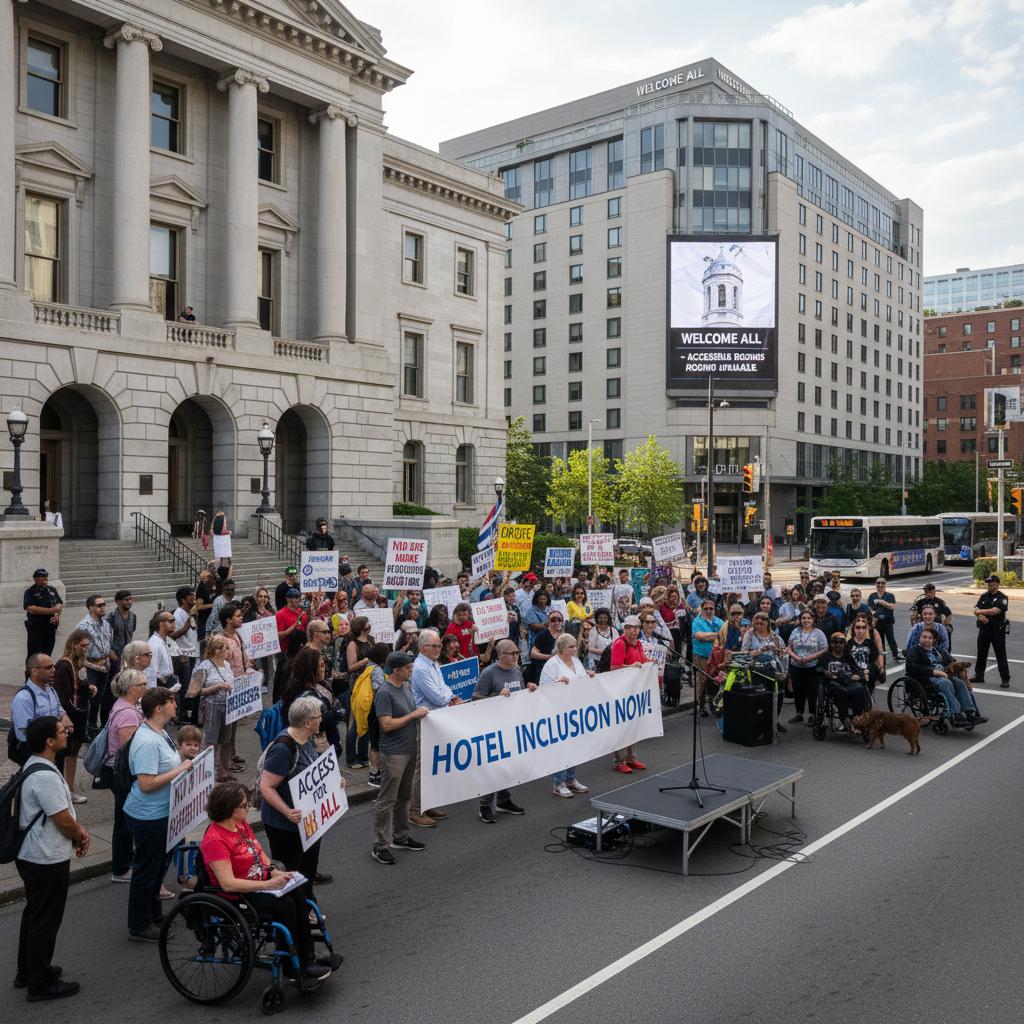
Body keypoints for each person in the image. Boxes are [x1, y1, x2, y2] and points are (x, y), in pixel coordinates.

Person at [200, 781, 332, 986]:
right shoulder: (216, 840)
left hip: (260, 882)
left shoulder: (241, 825)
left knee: (298, 893)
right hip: (240, 896)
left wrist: (274, 872)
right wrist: (268, 885)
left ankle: (307, 957)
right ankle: (293, 969)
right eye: (243, 806)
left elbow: (259, 853)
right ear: (229, 809)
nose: (248, 809)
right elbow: (228, 884)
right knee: (285, 906)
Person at [13, 716, 89, 1002]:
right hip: (45, 857)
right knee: (45, 920)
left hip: (33, 854)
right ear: (49, 741)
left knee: (35, 914)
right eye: (61, 731)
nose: (67, 732)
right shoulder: (45, 776)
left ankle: (28, 971)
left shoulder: (34, 764)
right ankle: (40, 982)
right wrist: (80, 836)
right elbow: (62, 819)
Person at [123, 687, 193, 941]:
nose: (176, 704)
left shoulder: (160, 732)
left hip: (161, 813)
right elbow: (146, 783)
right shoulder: (148, 741)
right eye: (171, 701)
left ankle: (153, 914)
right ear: (158, 708)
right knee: (146, 870)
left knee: (157, 869)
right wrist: (180, 770)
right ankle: (139, 925)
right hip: (148, 816)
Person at [259, 694, 337, 899]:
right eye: (318, 716)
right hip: (285, 826)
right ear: (307, 723)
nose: (322, 719)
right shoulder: (283, 749)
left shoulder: (306, 739)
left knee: (308, 869)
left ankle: (307, 906)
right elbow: (266, 787)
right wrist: (287, 812)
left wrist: (335, 780)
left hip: (308, 822)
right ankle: (293, 911)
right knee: (291, 873)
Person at [371, 652, 429, 863]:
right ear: (396, 670)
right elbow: (386, 724)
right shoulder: (384, 692)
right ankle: (380, 845)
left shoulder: (406, 686)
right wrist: (414, 715)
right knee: (387, 800)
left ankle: (401, 836)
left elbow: (412, 713)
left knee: (404, 797)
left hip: (409, 749)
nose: (411, 670)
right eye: (408, 668)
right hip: (394, 754)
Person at [472, 639, 532, 823]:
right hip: (492, 726)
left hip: (510, 724)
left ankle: (503, 800)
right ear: (500, 655)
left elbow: (520, 694)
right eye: (511, 653)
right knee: (492, 767)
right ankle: (485, 805)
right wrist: (495, 697)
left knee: (507, 765)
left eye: (517, 653)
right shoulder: (489, 673)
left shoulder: (516, 671)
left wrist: (530, 690)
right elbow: (475, 698)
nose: (516, 656)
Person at [408, 629, 462, 828]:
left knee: (432, 765)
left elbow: (444, 687)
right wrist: (449, 696)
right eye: (434, 646)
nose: (438, 649)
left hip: (436, 719)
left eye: (439, 645)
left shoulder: (434, 664)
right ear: (423, 647)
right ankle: (415, 811)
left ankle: (427, 804)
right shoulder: (420, 668)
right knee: (422, 767)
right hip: (425, 720)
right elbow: (438, 697)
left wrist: (449, 695)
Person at [105, 669, 147, 883]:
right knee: (123, 821)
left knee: (123, 820)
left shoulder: (123, 706)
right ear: (131, 688)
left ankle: (123, 864)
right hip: (122, 775)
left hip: (119, 772)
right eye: (142, 684)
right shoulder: (128, 713)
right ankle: (121, 868)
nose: (146, 687)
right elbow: (129, 750)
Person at [539, 633, 592, 798]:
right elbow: (543, 688)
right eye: (571, 647)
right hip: (558, 712)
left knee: (573, 746)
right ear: (561, 648)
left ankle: (571, 779)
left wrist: (589, 674)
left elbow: (581, 679)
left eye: (575, 646)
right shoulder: (551, 664)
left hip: (575, 711)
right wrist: (557, 683)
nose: (575, 649)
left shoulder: (576, 661)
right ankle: (558, 783)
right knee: (561, 748)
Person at [907, 628, 987, 725]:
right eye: (924, 637)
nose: (927, 639)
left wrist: (958, 667)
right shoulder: (914, 650)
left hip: (945, 674)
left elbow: (952, 661)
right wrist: (934, 672)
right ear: (919, 638)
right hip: (926, 678)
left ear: (933, 640)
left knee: (959, 683)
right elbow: (912, 667)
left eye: (930, 638)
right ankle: (955, 714)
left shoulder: (939, 651)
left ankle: (970, 713)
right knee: (946, 683)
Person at [52, 630, 93, 803]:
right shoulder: (64, 665)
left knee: (73, 752)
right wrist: (68, 714)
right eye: (83, 646)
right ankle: (63, 791)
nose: (85, 649)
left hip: (79, 713)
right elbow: (62, 695)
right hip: (70, 716)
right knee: (64, 753)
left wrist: (89, 688)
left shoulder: (79, 664)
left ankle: (69, 789)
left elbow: (80, 685)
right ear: (74, 644)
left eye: (87, 646)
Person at [10, 654, 71, 767]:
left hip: (53, 750)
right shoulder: (24, 698)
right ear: (34, 671)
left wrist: (64, 716)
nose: (54, 670)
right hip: (37, 755)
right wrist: (51, 735)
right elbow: (23, 734)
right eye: (48, 667)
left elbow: (58, 708)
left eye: (53, 666)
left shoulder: (50, 690)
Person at [609, 615, 648, 772]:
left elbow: (642, 661)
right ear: (625, 629)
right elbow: (614, 668)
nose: (634, 630)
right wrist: (631, 667)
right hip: (621, 689)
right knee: (622, 726)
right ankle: (619, 761)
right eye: (631, 627)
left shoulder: (638, 643)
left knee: (633, 724)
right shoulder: (620, 643)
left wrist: (650, 664)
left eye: (637, 627)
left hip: (634, 689)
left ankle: (631, 758)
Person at [76, 595, 113, 736]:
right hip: (90, 666)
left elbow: (109, 643)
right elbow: (77, 648)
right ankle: (87, 728)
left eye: (104, 604)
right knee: (90, 698)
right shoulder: (83, 626)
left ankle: (95, 726)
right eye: (99, 605)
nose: (103, 607)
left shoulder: (106, 624)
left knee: (100, 698)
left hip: (105, 667)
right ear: (90, 607)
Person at [817, 633, 869, 729]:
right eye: (835, 642)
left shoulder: (847, 656)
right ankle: (844, 717)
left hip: (848, 682)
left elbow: (857, 669)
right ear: (831, 644)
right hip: (833, 684)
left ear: (844, 644)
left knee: (859, 688)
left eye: (840, 642)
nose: (837, 644)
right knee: (840, 690)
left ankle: (857, 718)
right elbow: (818, 668)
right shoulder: (826, 656)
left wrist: (858, 675)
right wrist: (826, 672)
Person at [787, 609, 828, 724]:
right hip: (796, 665)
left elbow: (825, 649)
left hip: (812, 666)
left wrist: (811, 658)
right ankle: (799, 714)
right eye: (803, 618)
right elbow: (789, 647)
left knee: (812, 691)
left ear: (813, 620)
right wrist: (795, 657)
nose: (806, 620)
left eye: (808, 618)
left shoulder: (819, 633)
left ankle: (812, 715)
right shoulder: (795, 631)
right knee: (797, 690)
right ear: (800, 620)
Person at [973, 573, 1011, 688]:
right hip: (984, 629)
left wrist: (981, 612)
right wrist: (980, 616)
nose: (989, 585)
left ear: (997, 584)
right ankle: (979, 676)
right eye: (988, 583)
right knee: (981, 653)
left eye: (991, 583)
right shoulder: (984, 596)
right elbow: (976, 608)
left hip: (997, 631)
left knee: (1000, 655)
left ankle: (1005, 678)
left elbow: (996, 610)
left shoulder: (1002, 597)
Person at [105, 590, 136, 720]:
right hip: (114, 657)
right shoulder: (111, 617)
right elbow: (105, 637)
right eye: (125, 599)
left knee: (126, 687)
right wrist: (110, 652)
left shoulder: (133, 616)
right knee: (113, 689)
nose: (128, 602)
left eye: (130, 599)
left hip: (127, 657)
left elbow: (131, 633)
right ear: (117, 601)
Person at [690, 599, 724, 716]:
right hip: (701, 656)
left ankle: (714, 705)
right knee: (702, 681)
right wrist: (718, 635)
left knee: (715, 681)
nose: (709, 611)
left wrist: (709, 636)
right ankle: (700, 706)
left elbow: (725, 636)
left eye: (711, 608)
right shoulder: (697, 621)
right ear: (702, 609)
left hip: (716, 657)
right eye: (706, 609)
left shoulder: (719, 621)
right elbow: (699, 636)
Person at [171, 586, 199, 722]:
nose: (194, 598)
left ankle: (186, 713)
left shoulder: (191, 613)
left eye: (194, 595)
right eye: (191, 596)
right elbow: (172, 636)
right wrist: (186, 626)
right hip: (183, 655)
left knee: (190, 686)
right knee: (184, 686)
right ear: (183, 599)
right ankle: (181, 714)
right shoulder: (177, 615)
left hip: (193, 653)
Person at [23, 569, 63, 658]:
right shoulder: (30, 592)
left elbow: (59, 603)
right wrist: (51, 611)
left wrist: (57, 614)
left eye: (46, 579)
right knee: (34, 655)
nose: (44, 582)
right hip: (36, 628)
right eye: (41, 580)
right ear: (35, 579)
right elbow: (30, 608)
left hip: (50, 627)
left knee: (47, 653)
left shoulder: (51, 590)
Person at [845, 615, 884, 693]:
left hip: (868, 675)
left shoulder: (870, 643)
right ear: (854, 628)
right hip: (855, 674)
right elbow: (847, 661)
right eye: (858, 627)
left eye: (863, 628)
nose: (860, 630)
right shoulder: (849, 643)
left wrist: (880, 668)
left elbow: (874, 659)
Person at [867, 577, 900, 661]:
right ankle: (881, 655)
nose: (880, 585)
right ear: (876, 584)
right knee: (879, 640)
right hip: (877, 622)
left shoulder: (890, 595)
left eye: (882, 583)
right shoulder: (872, 596)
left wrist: (881, 602)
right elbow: (870, 608)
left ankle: (895, 655)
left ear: (885, 585)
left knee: (891, 639)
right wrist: (875, 614)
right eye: (878, 583)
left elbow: (892, 606)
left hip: (888, 621)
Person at [144, 611, 177, 690]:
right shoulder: (154, 644)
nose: (174, 624)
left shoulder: (163, 640)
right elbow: (151, 673)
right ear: (161, 624)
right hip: (160, 687)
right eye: (171, 621)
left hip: (168, 684)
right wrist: (153, 694)